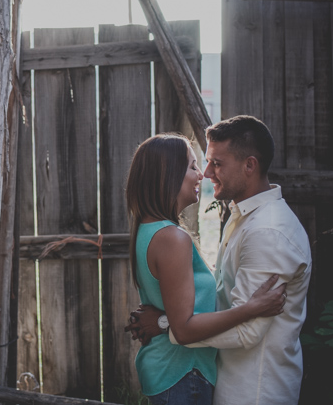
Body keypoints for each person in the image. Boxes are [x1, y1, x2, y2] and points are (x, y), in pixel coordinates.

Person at [129, 116, 313, 405]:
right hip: (216, 380)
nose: (206, 173)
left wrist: (166, 325)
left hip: (253, 391)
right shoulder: (242, 219)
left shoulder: (268, 232)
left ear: (249, 165)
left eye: (216, 163)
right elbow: (222, 295)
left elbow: (249, 330)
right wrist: (169, 320)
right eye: (200, 164)